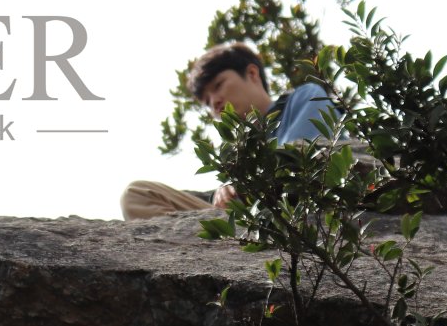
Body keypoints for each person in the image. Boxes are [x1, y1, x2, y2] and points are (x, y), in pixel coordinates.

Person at [121, 41, 333, 220]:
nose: (214, 102)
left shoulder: (304, 98)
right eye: (206, 101)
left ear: (252, 73)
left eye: (218, 85)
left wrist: (238, 185)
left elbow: (304, 156)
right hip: (239, 224)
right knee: (137, 194)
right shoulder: (236, 150)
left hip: (298, 219)